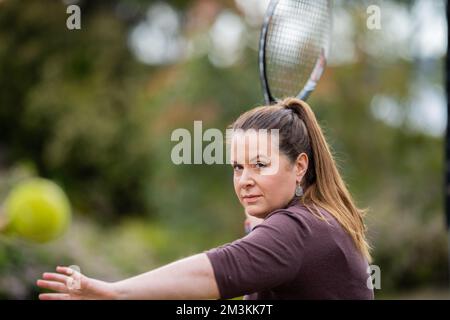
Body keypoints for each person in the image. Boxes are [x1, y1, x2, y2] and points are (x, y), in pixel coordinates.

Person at [36, 98, 374, 300]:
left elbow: (220, 269)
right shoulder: (317, 220)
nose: (244, 180)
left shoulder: (299, 229)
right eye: (237, 167)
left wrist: (116, 292)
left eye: (260, 165)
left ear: (300, 165)